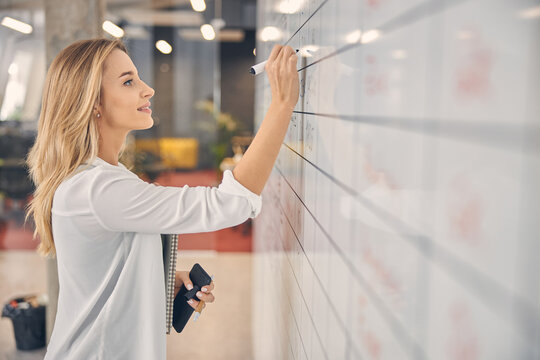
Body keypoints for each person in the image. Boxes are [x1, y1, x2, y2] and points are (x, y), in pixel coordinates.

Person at [24, 38, 299, 359]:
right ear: (92, 102)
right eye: (128, 81)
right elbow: (228, 204)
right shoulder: (96, 188)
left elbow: (105, 277)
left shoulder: (104, 179)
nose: (148, 89)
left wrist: (157, 283)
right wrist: (281, 105)